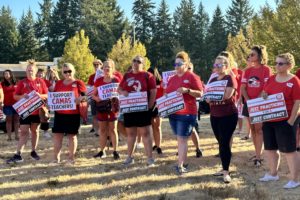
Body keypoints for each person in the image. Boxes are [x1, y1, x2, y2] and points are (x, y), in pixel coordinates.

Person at [259, 53, 300, 189]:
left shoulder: (294, 81)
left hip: (286, 120)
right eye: (276, 63)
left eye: (280, 63)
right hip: (270, 119)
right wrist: (264, 95)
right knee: (270, 148)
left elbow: (297, 102)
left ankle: (294, 179)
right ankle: (273, 174)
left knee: (289, 150)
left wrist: (291, 121)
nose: (277, 66)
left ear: (289, 65)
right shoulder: (271, 79)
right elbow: (265, 94)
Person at [166, 51, 203, 174]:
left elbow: (200, 93)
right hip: (173, 113)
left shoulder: (192, 77)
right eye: (175, 64)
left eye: (179, 64)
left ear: (186, 64)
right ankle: (182, 162)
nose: (176, 66)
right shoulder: (172, 79)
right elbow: (168, 93)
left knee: (182, 139)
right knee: (180, 138)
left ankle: (180, 165)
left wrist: (187, 90)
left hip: (187, 113)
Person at [7, 60, 48, 164]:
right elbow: (15, 96)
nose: (30, 72)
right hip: (25, 112)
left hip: (38, 111)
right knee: (24, 132)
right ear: (26, 71)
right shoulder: (22, 82)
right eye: (28, 70)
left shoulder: (41, 81)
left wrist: (40, 96)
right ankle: (18, 154)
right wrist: (21, 96)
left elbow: (47, 95)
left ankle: (33, 151)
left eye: (32, 70)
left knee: (35, 131)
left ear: (35, 71)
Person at [118, 55, 156, 166]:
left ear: (142, 64)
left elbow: (153, 91)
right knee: (131, 134)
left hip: (143, 109)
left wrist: (150, 105)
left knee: (146, 133)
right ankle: (129, 157)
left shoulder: (148, 75)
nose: (135, 63)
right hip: (129, 109)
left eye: (138, 61)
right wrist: (122, 92)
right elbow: (119, 89)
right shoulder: (126, 75)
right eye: (134, 61)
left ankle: (150, 158)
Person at [207, 56, 238, 183]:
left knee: (224, 143)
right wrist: (208, 97)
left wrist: (212, 97)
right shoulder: (213, 79)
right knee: (221, 143)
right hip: (214, 115)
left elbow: (227, 95)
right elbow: (208, 96)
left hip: (228, 115)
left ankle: (226, 171)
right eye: (215, 65)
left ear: (226, 66)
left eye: (219, 65)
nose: (217, 67)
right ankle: (224, 167)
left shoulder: (230, 78)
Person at [241, 45, 272, 166]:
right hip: (249, 103)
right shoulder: (247, 71)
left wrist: (256, 101)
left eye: (252, 54)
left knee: (259, 130)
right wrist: (248, 100)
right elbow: (243, 87)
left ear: (260, 55)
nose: (250, 56)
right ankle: (257, 153)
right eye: (249, 55)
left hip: (260, 104)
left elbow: (266, 87)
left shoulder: (266, 69)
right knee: (253, 129)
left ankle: (258, 157)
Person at [52, 63, 87, 164]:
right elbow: (54, 96)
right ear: (62, 72)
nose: (67, 73)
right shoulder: (58, 83)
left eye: (69, 71)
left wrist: (79, 99)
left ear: (73, 71)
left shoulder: (78, 82)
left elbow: (85, 96)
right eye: (65, 71)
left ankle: (71, 159)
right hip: (59, 114)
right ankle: (56, 159)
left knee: (72, 136)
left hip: (73, 114)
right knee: (57, 136)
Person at [93, 59, 120, 160]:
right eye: (105, 67)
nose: (106, 68)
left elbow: (121, 93)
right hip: (102, 108)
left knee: (113, 129)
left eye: (109, 67)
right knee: (103, 130)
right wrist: (97, 98)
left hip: (113, 109)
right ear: (102, 68)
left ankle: (115, 151)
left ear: (112, 68)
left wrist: (116, 98)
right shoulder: (98, 80)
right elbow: (93, 95)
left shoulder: (116, 80)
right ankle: (102, 151)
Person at [147, 67, 163, 154]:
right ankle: (154, 144)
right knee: (152, 127)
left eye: (151, 74)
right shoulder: (147, 83)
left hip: (159, 105)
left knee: (158, 126)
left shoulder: (161, 82)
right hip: (150, 105)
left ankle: (159, 146)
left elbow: (165, 92)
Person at [87, 59, 103, 136]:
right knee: (95, 115)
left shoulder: (104, 74)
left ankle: (103, 130)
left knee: (103, 115)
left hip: (103, 98)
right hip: (94, 97)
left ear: (101, 65)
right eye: (95, 65)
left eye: (98, 64)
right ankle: (97, 131)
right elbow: (89, 88)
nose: (96, 66)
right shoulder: (92, 76)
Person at [1, 70, 18, 141]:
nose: (6, 75)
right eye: (5, 74)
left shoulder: (17, 82)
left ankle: (17, 136)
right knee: (8, 120)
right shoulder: (2, 84)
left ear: (11, 74)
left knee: (16, 120)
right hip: (7, 105)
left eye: (7, 74)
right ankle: (9, 137)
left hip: (17, 104)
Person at [36, 68, 52, 139]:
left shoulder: (46, 82)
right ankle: (35, 132)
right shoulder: (33, 81)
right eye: (39, 73)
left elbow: (52, 89)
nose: (40, 74)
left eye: (42, 73)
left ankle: (46, 132)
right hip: (34, 103)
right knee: (36, 118)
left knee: (45, 117)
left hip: (45, 102)